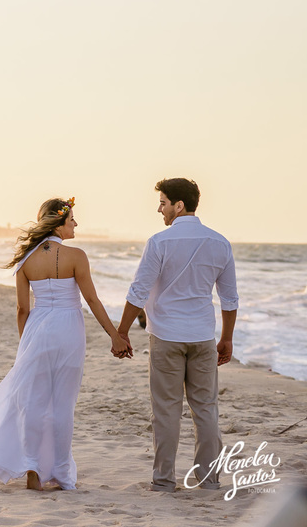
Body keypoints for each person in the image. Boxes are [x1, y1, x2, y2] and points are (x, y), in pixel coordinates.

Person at [0, 197, 130, 491]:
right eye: (72, 219)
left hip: (37, 329)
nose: (75, 224)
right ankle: (61, 472)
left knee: (33, 404)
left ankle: (32, 469)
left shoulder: (25, 259)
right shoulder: (77, 256)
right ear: (59, 223)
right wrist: (114, 335)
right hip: (69, 329)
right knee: (63, 404)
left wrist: (25, 343)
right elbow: (91, 300)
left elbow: (22, 309)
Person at [116, 178, 238, 492]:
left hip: (166, 337)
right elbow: (229, 299)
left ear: (179, 205)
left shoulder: (159, 242)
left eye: (163, 203)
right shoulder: (220, 243)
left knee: (166, 410)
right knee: (206, 409)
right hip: (203, 337)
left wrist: (122, 331)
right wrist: (227, 338)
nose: (160, 209)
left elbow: (138, 291)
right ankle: (208, 480)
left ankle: (163, 481)